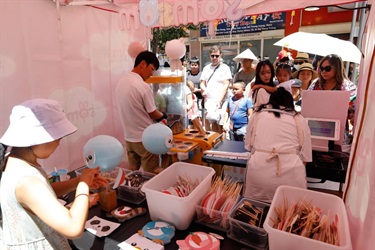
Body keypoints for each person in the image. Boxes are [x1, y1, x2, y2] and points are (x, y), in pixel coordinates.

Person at [0, 98, 108, 249]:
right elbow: (73, 228)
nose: (58, 143)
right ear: (38, 138)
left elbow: (45, 194)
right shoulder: (26, 181)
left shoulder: (13, 160)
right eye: (57, 137)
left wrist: (77, 181)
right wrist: (83, 185)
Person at [243, 88, 312, 203]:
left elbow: (249, 146)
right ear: (290, 103)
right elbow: (305, 157)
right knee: (287, 213)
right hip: (291, 179)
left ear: (271, 101)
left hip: (259, 176)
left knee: (255, 211)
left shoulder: (257, 115)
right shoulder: (299, 119)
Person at [115, 51, 167, 174]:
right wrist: (164, 116)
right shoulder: (142, 86)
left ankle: (132, 193)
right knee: (151, 174)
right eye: (152, 69)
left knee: (133, 173)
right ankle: (148, 194)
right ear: (143, 64)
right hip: (146, 139)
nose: (151, 74)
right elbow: (153, 113)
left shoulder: (121, 82)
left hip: (129, 138)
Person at [200, 45, 232, 133]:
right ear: (210, 56)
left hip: (221, 101)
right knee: (209, 122)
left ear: (220, 55)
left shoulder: (225, 68)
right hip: (209, 100)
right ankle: (212, 144)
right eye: (212, 55)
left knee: (220, 125)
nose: (214, 58)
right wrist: (204, 89)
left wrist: (219, 101)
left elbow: (226, 85)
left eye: (216, 56)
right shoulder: (206, 68)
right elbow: (202, 83)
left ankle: (221, 144)